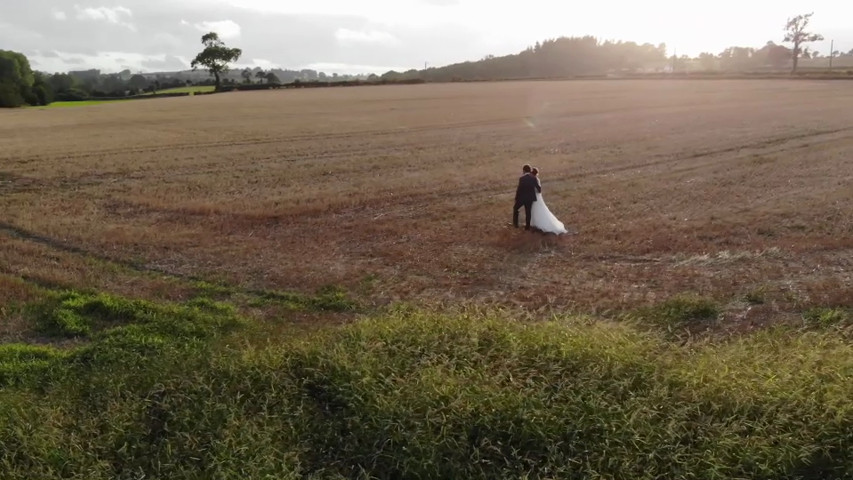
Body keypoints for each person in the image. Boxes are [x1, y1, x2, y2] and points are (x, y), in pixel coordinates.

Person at [529, 167, 569, 234]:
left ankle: (539, 224)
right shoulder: (535, 179)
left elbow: (538, 190)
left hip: (536, 197)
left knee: (537, 210)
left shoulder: (535, 180)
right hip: (535, 197)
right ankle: (535, 223)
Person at [513, 164, 540, 230]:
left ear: (524, 170)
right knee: (528, 212)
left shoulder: (522, 178)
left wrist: (516, 198)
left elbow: (519, 189)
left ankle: (515, 224)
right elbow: (539, 189)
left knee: (515, 208)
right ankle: (527, 227)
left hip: (522, 198)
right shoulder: (533, 178)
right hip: (530, 198)